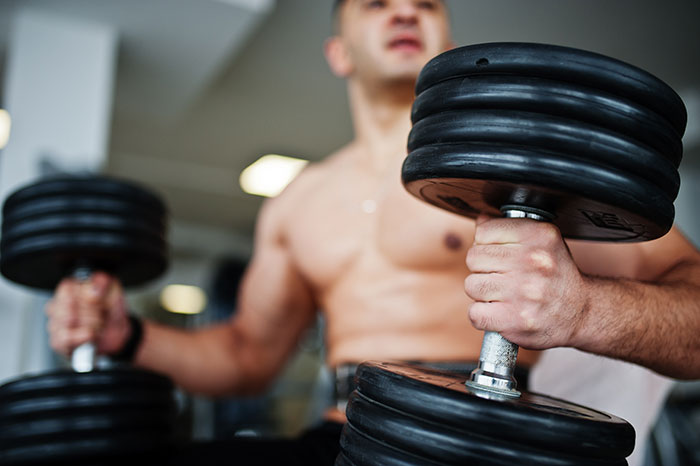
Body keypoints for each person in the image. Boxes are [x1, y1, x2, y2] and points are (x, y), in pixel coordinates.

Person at [45, 0, 700, 464]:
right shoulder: (298, 203)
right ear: (338, 51)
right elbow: (247, 356)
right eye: (377, 3)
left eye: (424, 2)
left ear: (445, 37)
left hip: (467, 438)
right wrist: (126, 335)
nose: (405, 11)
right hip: (338, 435)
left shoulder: (528, 172)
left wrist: (584, 308)